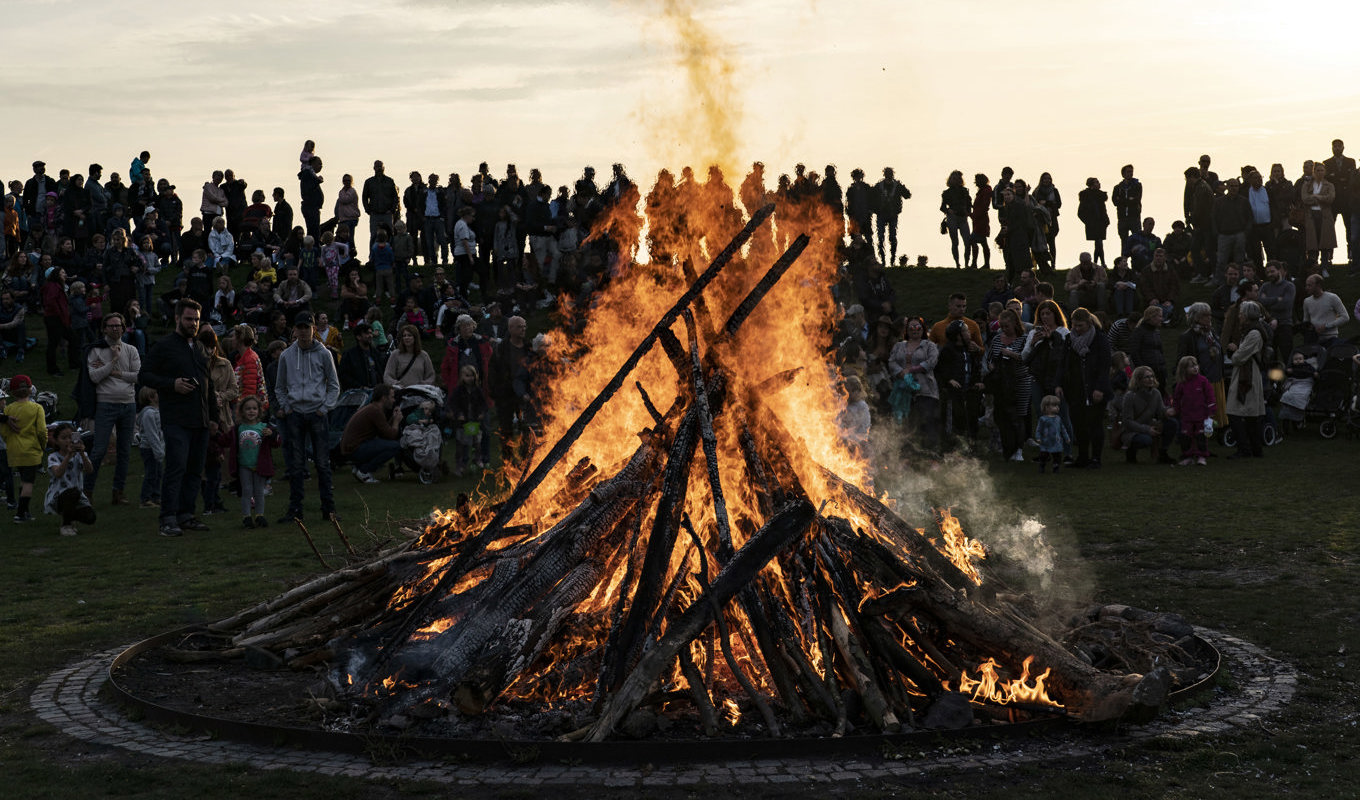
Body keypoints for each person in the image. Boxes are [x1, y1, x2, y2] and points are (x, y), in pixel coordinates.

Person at [138, 299, 218, 537]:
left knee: (194, 470)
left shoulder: (201, 348)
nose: (193, 323)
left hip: (201, 420)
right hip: (176, 420)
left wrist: (214, 417)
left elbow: (209, 385)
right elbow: (144, 375)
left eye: (196, 319)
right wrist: (171, 384)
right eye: (188, 319)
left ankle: (186, 514)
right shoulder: (164, 346)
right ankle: (168, 518)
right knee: (176, 468)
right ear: (177, 318)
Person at [274, 311, 340, 524]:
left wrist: (325, 407)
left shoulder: (324, 354)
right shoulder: (286, 356)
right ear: (294, 329)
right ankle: (295, 509)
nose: (303, 332)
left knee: (322, 463)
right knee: (295, 463)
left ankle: (328, 508)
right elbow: (280, 386)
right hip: (296, 413)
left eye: (307, 327)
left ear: (313, 329)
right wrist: (287, 406)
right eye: (299, 327)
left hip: (316, 412)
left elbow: (333, 384)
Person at [84, 313, 140, 506]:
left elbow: (137, 376)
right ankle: (87, 492)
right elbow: (94, 376)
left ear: (123, 328)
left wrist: (112, 371)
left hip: (128, 403)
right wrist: (113, 360)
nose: (116, 329)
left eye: (119, 325)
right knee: (99, 450)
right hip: (105, 404)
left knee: (124, 451)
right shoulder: (96, 350)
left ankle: (118, 492)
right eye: (111, 325)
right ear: (104, 328)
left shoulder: (131, 350)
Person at [221, 395, 277, 529]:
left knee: (259, 491)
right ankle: (246, 517)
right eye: (247, 409)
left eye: (254, 408)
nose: (251, 411)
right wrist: (214, 434)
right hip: (244, 465)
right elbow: (224, 440)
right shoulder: (238, 428)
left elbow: (277, 442)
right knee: (246, 491)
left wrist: (272, 435)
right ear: (241, 411)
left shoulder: (264, 427)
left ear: (259, 411)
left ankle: (259, 515)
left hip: (259, 466)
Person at [0, 374, 46, 522]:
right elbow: (41, 431)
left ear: (12, 392)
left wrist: (11, 441)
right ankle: (20, 514)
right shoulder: (37, 408)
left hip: (14, 450)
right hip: (31, 450)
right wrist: (43, 445)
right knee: (28, 482)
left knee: (22, 480)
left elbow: (4, 431)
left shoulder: (8, 410)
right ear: (30, 389)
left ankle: (25, 512)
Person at [889, 317, 939, 449]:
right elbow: (892, 362)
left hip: (925, 389)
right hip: (903, 390)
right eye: (911, 328)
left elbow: (931, 362)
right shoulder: (899, 346)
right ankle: (907, 454)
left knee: (927, 421)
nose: (915, 330)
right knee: (906, 422)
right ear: (906, 330)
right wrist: (902, 373)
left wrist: (912, 370)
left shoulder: (930, 345)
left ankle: (930, 455)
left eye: (918, 327)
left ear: (923, 329)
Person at [1226, 301, 1268, 459]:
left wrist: (1236, 350)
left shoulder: (1254, 334)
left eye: (1242, 313)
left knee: (1236, 412)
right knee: (1251, 415)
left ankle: (1245, 449)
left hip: (1248, 375)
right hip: (1248, 373)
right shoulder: (1252, 331)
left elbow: (1238, 358)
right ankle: (1254, 449)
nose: (1239, 316)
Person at [339, 383, 402, 483]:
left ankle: (359, 467)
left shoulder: (372, 408)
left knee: (386, 444)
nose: (393, 400)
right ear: (383, 398)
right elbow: (391, 435)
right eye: (392, 397)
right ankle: (364, 471)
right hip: (354, 449)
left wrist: (392, 419)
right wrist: (396, 421)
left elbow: (383, 432)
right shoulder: (375, 411)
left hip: (350, 447)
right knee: (395, 446)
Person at [44, 422, 96, 537]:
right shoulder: (53, 457)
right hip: (59, 495)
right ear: (56, 441)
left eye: (70, 437)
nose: (68, 441)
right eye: (63, 438)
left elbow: (89, 470)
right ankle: (66, 525)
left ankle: (69, 516)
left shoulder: (79, 455)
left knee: (90, 517)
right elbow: (58, 473)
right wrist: (68, 456)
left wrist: (82, 453)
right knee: (71, 493)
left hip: (77, 494)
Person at [1168, 355, 1215, 467]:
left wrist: (1211, 409)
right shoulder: (1181, 384)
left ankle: (1201, 456)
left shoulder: (1203, 381)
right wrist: (1175, 409)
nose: (1195, 368)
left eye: (1196, 365)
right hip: (1186, 416)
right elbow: (1177, 399)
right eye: (1191, 366)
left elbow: (1210, 396)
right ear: (1184, 369)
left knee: (1201, 436)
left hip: (1201, 415)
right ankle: (1187, 456)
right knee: (1185, 437)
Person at [1120, 365, 1172, 464]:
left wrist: (1168, 411)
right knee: (1145, 440)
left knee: (1172, 423)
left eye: (1152, 376)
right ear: (1138, 380)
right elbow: (1127, 421)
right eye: (1147, 377)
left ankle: (1162, 453)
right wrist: (1147, 429)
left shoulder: (1156, 393)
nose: (1151, 379)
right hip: (1131, 430)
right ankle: (1131, 451)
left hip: (1149, 425)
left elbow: (1161, 411)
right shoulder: (1130, 396)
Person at [1301, 162, 1336, 270]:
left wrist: (1316, 197)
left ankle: (1324, 267)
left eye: (1322, 170)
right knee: (1312, 244)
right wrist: (1320, 198)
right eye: (1317, 170)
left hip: (1324, 216)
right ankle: (1313, 268)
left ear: (1325, 172)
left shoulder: (1329, 185)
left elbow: (1330, 198)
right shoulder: (1307, 185)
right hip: (1311, 216)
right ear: (1314, 172)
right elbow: (1305, 198)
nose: (1320, 173)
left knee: (1324, 243)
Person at [873, 167, 912, 266]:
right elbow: (908, 195)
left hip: (891, 214)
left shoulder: (893, 185)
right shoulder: (881, 186)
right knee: (882, 238)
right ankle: (885, 261)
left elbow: (907, 195)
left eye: (890, 173)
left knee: (891, 238)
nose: (889, 175)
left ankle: (891, 260)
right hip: (883, 214)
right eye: (888, 173)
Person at [1300, 273, 1349, 347]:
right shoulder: (1307, 301)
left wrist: (1326, 326)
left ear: (1318, 285)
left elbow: (1345, 317)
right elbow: (1306, 320)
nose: (1307, 288)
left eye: (1310, 285)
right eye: (1306, 285)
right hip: (1313, 339)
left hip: (1330, 338)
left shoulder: (1332, 298)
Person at [384, 324, 436, 388]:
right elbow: (387, 375)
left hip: (419, 393)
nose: (406, 338)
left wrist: (424, 384)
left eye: (409, 335)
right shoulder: (395, 354)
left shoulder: (423, 355)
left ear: (415, 338)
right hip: (400, 392)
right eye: (404, 336)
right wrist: (396, 384)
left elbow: (431, 376)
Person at [137, 386, 163, 508]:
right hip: (149, 448)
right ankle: (145, 498)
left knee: (158, 473)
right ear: (151, 397)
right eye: (156, 393)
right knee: (151, 473)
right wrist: (158, 450)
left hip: (157, 447)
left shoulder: (157, 411)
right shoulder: (148, 414)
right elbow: (151, 433)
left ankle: (156, 496)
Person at [940, 171, 971, 269]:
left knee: (967, 242)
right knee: (955, 242)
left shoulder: (965, 191)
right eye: (954, 178)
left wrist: (968, 212)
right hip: (952, 218)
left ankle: (966, 264)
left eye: (958, 178)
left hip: (962, 218)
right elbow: (942, 207)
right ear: (951, 180)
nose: (956, 180)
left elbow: (969, 204)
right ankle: (958, 264)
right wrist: (948, 210)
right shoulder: (946, 193)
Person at [362, 160, 399, 242]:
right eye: (377, 166)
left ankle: (390, 253)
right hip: (374, 214)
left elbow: (395, 197)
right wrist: (368, 210)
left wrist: (392, 210)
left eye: (380, 166)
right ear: (374, 168)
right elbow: (364, 197)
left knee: (390, 235)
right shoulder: (369, 182)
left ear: (383, 168)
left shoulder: (390, 181)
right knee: (374, 235)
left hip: (387, 214)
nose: (379, 168)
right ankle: (372, 254)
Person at [1077, 177, 1110, 267]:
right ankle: (1101, 262)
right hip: (1092, 223)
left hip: (1101, 222)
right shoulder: (1086, 196)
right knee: (1099, 242)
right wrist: (1088, 221)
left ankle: (1097, 263)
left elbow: (1103, 210)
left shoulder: (1100, 195)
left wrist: (1106, 220)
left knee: (1099, 243)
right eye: (1096, 182)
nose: (1099, 184)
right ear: (1091, 185)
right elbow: (1080, 212)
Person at [1034, 395, 1069, 474]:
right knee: (1044, 455)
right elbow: (1039, 430)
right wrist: (1038, 438)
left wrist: (1066, 437)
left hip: (1056, 441)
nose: (1057, 407)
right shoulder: (1043, 419)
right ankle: (1042, 465)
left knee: (1057, 455)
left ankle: (1056, 467)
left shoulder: (1058, 418)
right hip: (1046, 441)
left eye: (1057, 405)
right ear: (1046, 407)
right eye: (1054, 405)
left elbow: (1063, 429)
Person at [1112, 165, 1142, 250]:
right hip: (1122, 218)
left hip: (1134, 217)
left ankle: (1136, 261)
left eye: (1131, 171)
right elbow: (1115, 201)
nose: (1130, 174)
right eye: (1128, 172)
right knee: (1124, 242)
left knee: (1137, 241)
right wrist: (1128, 200)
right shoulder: (1118, 188)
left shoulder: (1137, 185)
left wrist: (1122, 200)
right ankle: (1123, 261)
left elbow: (1136, 199)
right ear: (1123, 174)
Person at [968, 173, 993, 269]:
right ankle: (985, 264)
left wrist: (972, 214)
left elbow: (983, 206)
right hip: (979, 219)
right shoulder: (984, 190)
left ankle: (976, 263)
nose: (976, 183)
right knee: (983, 242)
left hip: (980, 220)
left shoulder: (985, 191)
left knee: (973, 240)